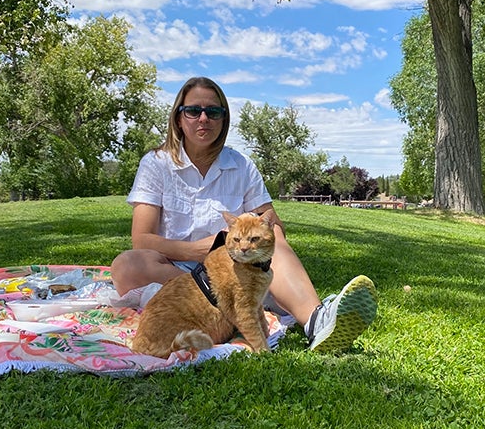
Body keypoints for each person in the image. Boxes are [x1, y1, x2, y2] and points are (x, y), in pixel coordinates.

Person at [110, 76, 377, 352]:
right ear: (179, 118)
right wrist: (194, 251)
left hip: (237, 267)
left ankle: (317, 320)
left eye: (213, 112)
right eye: (193, 111)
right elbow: (141, 239)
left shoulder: (241, 165)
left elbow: (273, 223)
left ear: (223, 119)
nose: (204, 118)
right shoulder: (156, 163)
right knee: (126, 266)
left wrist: (249, 242)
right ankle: (227, 311)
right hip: (178, 272)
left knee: (275, 239)